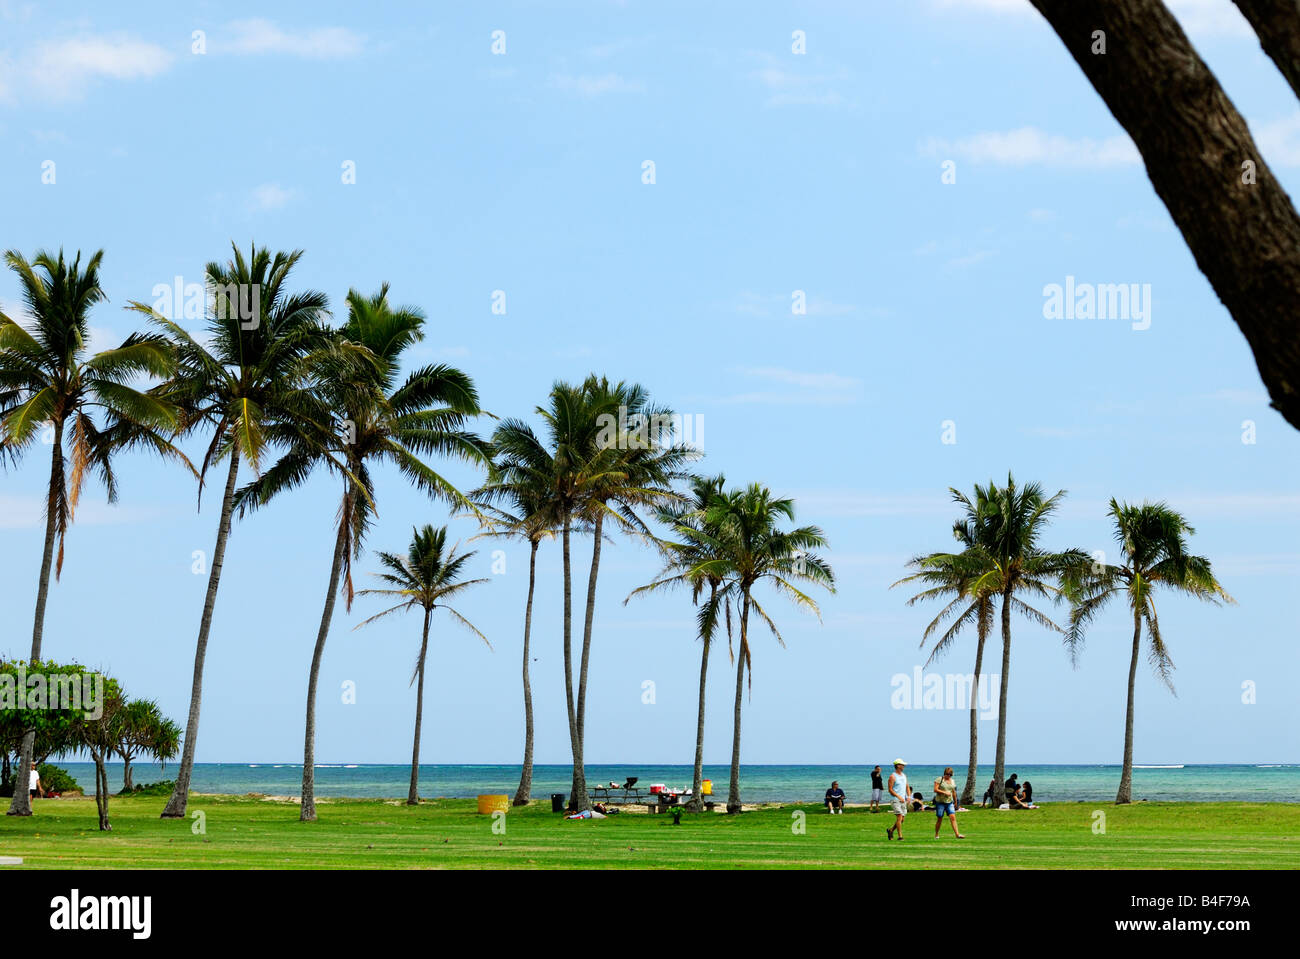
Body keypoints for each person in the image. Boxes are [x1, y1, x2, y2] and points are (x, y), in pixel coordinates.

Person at [933, 767, 966, 839]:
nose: (948, 776)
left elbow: (953, 792)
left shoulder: (952, 781)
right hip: (940, 802)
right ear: (944, 773)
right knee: (940, 818)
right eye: (947, 774)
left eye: (950, 775)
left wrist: (956, 801)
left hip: (949, 802)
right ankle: (936, 834)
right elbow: (935, 789)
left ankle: (957, 834)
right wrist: (944, 792)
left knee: (953, 817)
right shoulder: (939, 779)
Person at [885, 759, 909, 840]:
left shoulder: (904, 775)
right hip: (895, 799)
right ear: (898, 765)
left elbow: (907, 786)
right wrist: (899, 797)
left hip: (903, 800)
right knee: (899, 817)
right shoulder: (892, 776)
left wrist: (908, 796)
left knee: (902, 819)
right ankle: (900, 836)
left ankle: (891, 830)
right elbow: (890, 790)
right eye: (902, 765)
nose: (904, 766)